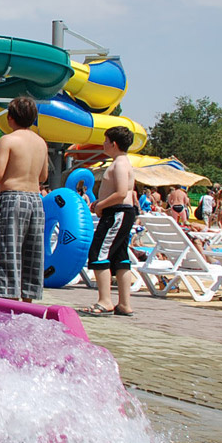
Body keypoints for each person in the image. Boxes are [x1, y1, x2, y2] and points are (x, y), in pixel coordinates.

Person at [0, 96, 49, 303]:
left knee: (9, 251)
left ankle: (9, 302)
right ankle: (28, 302)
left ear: (10, 117)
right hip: (35, 199)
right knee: (32, 253)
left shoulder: (9, 140)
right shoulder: (41, 143)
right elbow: (43, 177)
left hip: (13, 197)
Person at [81, 126, 137, 317]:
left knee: (98, 252)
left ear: (113, 143)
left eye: (105, 140)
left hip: (117, 213)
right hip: (120, 212)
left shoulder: (120, 164)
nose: (103, 144)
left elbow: (121, 193)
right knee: (120, 256)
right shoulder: (122, 162)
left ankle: (105, 301)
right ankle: (124, 303)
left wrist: (100, 205)